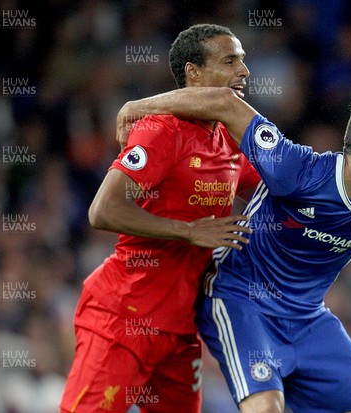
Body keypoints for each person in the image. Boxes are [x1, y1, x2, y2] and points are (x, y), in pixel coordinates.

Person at [118, 88, 351, 413]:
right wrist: (138, 106)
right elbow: (225, 103)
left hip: (308, 317)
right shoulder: (296, 169)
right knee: (267, 408)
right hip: (241, 302)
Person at [60, 24, 261, 413]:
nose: (244, 71)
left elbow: (274, 189)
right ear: (194, 74)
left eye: (244, 60)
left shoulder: (228, 140)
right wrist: (188, 231)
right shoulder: (161, 131)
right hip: (123, 315)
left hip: (181, 329)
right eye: (230, 60)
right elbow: (103, 209)